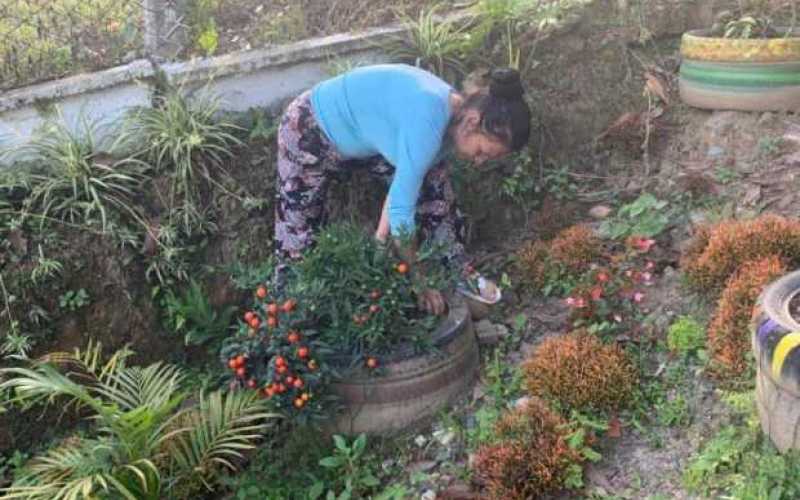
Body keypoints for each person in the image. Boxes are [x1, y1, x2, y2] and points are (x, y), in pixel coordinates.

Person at [273, 63, 531, 314]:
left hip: (367, 138)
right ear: (473, 121)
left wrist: (380, 238)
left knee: (436, 193)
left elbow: (402, 188)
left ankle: (455, 270)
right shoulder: (428, 120)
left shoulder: (455, 120)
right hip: (311, 126)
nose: (479, 162)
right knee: (299, 235)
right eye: (481, 152)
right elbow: (401, 213)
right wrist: (420, 283)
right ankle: (287, 310)